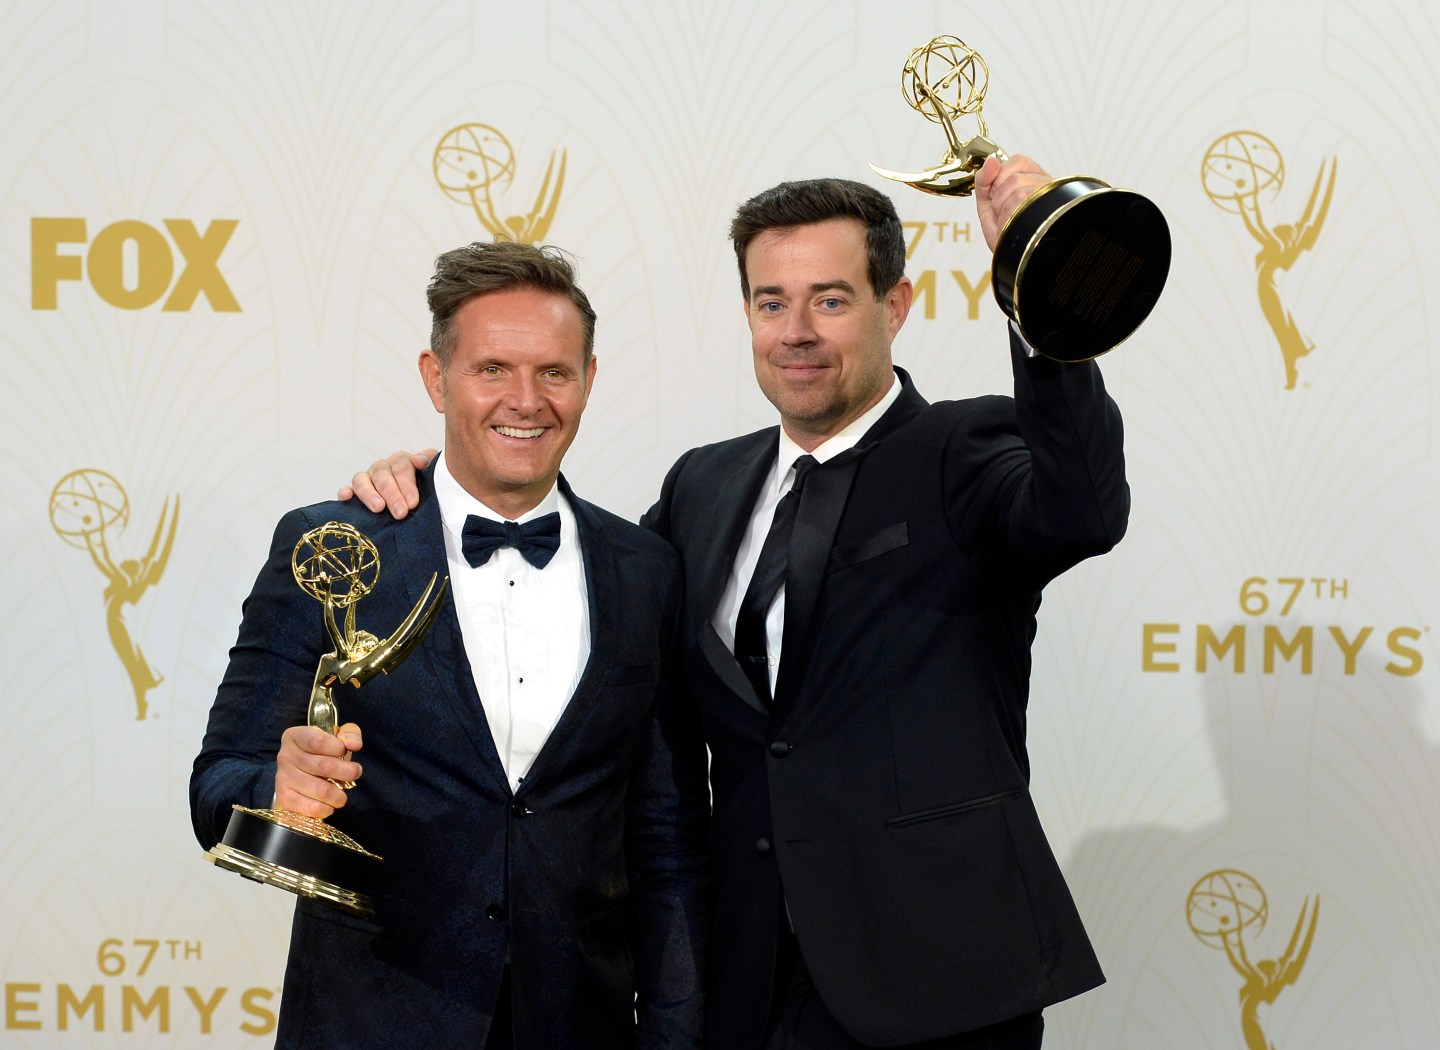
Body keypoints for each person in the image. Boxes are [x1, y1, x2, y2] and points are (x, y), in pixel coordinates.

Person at [346, 155, 1130, 1049]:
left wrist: (1043, 292)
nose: (796, 330)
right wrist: (445, 488)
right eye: (770, 302)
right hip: (745, 979)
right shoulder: (703, 485)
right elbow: (585, 577)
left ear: (897, 306)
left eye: (830, 300)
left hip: (935, 975)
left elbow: (1084, 510)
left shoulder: (967, 448)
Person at [191, 241, 708, 1049]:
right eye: (492, 369)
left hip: (581, 1025)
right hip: (371, 1022)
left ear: (590, 380)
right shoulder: (331, 547)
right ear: (437, 378)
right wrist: (275, 786)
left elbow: (666, 833)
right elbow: (214, 785)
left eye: (554, 373)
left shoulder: (647, 571)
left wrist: (676, 1032)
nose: (526, 401)